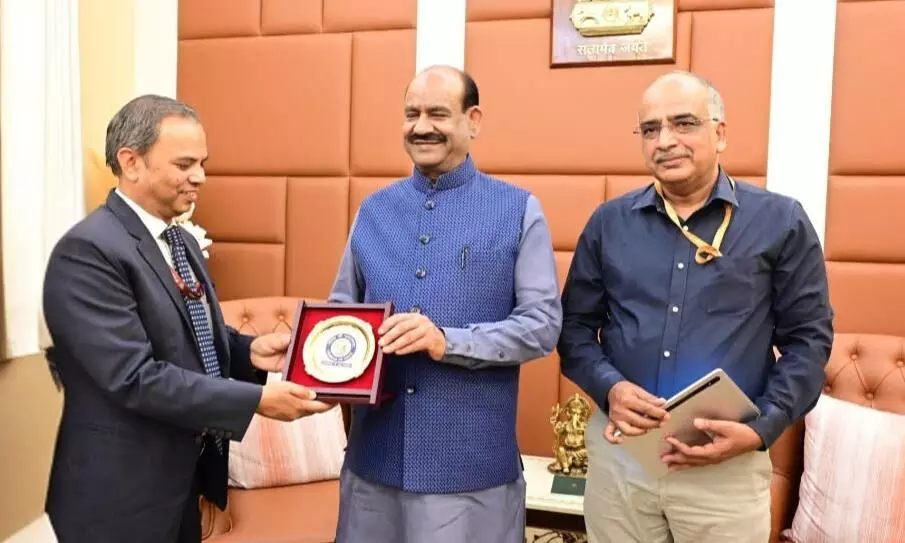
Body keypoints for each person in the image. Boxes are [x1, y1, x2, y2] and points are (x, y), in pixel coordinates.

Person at [42, 94, 333, 543]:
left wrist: (249, 351)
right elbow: (134, 377)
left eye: (202, 163)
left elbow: (189, 336)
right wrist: (256, 400)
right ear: (131, 162)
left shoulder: (183, 243)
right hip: (119, 498)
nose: (200, 176)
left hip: (181, 487)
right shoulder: (88, 252)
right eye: (184, 164)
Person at [558, 70, 834, 543]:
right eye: (650, 129)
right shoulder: (609, 223)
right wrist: (610, 389)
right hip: (622, 460)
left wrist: (761, 427)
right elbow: (574, 331)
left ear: (720, 133)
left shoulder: (780, 221)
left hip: (724, 466)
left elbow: (809, 342)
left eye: (683, 123)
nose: (665, 141)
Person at [328, 65, 562, 543]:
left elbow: (541, 325)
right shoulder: (373, 210)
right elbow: (341, 312)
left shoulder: (517, 209)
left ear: (473, 121)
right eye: (411, 114)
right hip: (372, 465)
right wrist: (318, 362)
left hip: (471, 471)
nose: (421, 127)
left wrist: (445, 341)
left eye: (437, 113)